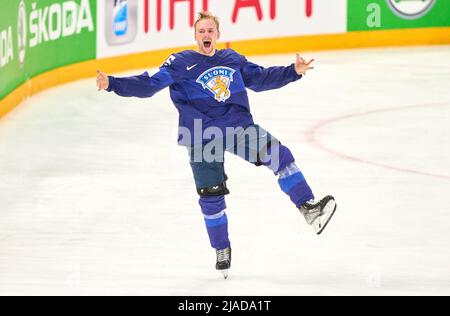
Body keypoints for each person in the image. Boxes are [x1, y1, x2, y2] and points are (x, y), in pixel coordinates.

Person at [96, 11, 337, 279]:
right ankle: (221, 249)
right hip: (201, 133)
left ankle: (309, 208)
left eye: (211, 31)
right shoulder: (180, 62)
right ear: (195, 36)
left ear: (218, 35)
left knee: (280, 156)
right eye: (202, 32)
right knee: (211, 195)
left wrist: (293, 72)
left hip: (237, 126)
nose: (206, 35)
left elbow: (260, 78)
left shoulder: (232, 59)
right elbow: (149, 85)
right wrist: (112, 84)